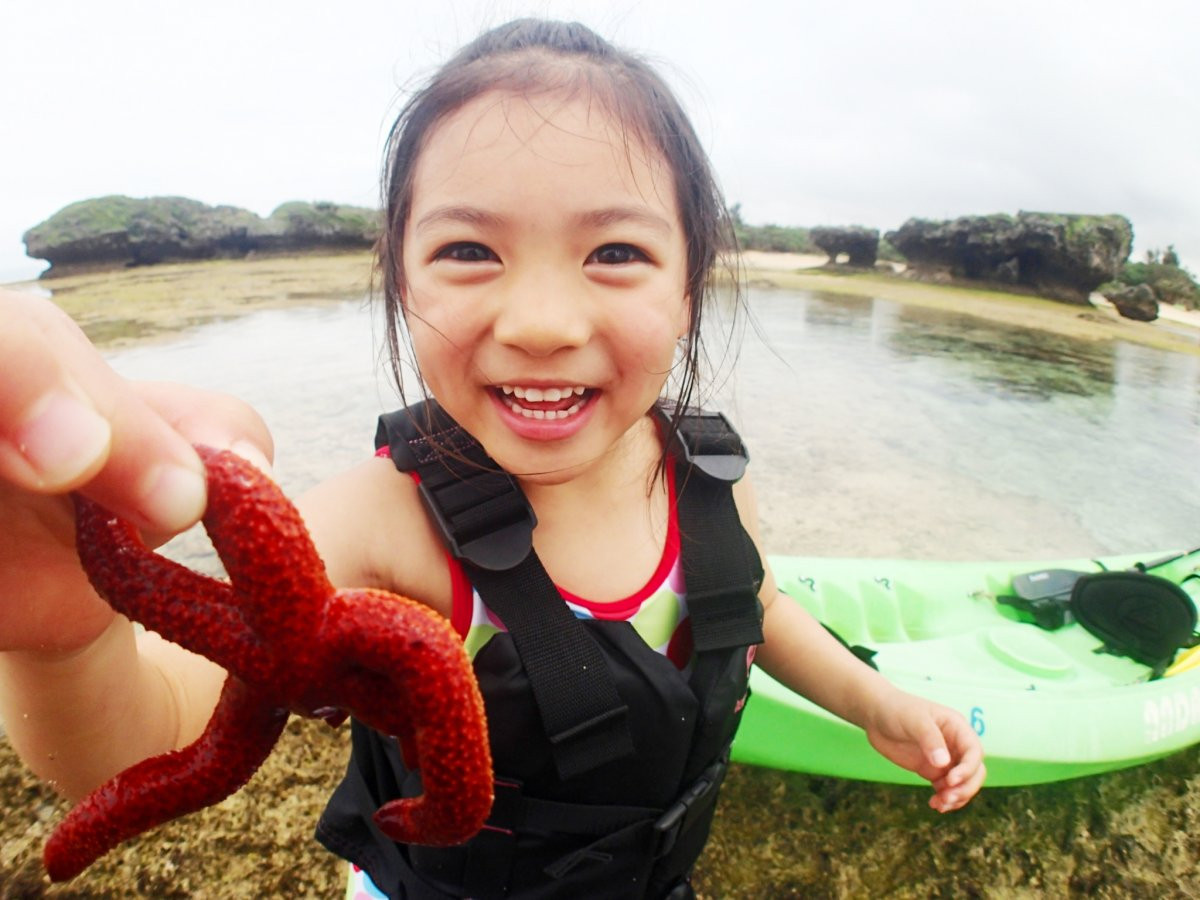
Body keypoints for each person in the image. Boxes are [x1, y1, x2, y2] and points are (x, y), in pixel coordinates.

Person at [0, 18, 984, 900]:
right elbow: (157, 739)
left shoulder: (711, 481)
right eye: (470, 250)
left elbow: (751, 609)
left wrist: (873, 700)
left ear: (690, 287)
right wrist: (64, 636)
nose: (543, 324)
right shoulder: (375, 519)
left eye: (616, 253)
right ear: (398, 282)